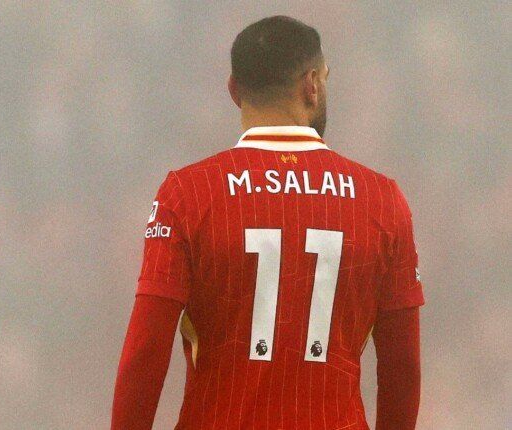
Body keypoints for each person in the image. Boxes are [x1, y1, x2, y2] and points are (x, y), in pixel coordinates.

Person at [111, 15, 424, 430]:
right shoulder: (382, 200)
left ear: (233, 90)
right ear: (312, 84)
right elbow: (403, 367)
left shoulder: (187, 194)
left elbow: (145, 354)